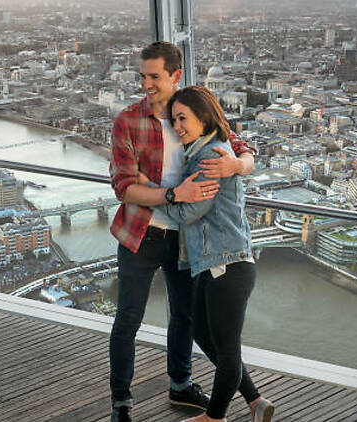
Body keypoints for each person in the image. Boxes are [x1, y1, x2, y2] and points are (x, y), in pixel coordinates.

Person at [108, 41, 256, 422]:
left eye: (154, 77)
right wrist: (176, 193)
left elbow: (243, 150)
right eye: (143, 76)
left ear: (175, 75)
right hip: (141, 234)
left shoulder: (194, 113)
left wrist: (236, 167)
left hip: (187, 239)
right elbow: (124, 187)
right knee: (128, 320)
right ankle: (121, 403)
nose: (147, 85)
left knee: (185, 317)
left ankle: (181, 383)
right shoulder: (127, 120)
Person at [153, 86, 274, 422]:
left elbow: (192, 211)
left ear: (203, 116)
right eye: (174, 119)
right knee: (204, 333)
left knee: (227, 347)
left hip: (227, 264)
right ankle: (255, 401)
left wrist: (166, 199)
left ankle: (215, 417)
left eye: (183, 118)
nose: (177, 125)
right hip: (216, 263)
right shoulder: (206, 151)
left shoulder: (210, 157)